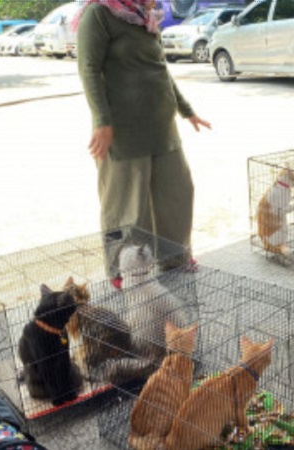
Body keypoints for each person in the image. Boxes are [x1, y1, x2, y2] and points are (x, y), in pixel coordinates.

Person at [74, 0, 211, 284]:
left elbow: (160, 68)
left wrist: (187, 110)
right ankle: (124, 271)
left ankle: (175, 258)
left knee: (178, 193)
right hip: (122, 131)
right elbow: (88, 69)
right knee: (128, 209)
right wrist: (102, 121)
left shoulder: (143, 16)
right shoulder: (98, 13)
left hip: (161, 127)